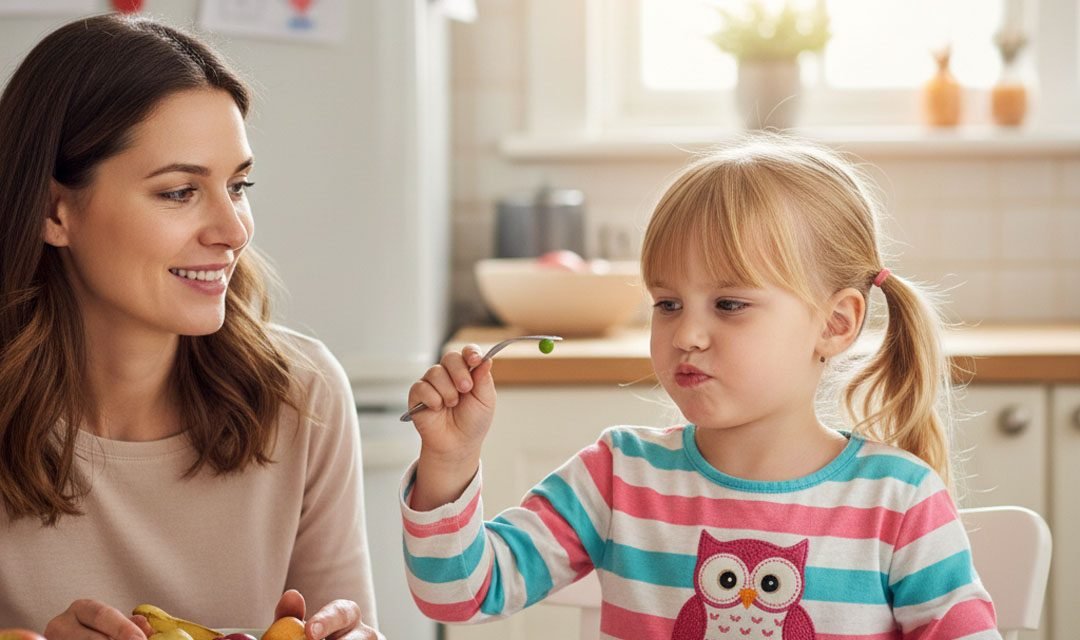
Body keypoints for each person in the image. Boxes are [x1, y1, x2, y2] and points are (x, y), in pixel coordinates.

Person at [400, 134, 1001, 639]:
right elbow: (458, 595)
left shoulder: (899, 501)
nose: (687, 333)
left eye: (730, 304)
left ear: (835, 323)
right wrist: (449, 461)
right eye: (667, 303)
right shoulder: (618, 476)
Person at [0, 14, 381, 640]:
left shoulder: (302, 395)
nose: (233, 231)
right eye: (179, 192)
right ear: (54, 211)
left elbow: (345, 625)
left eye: (238, 186)